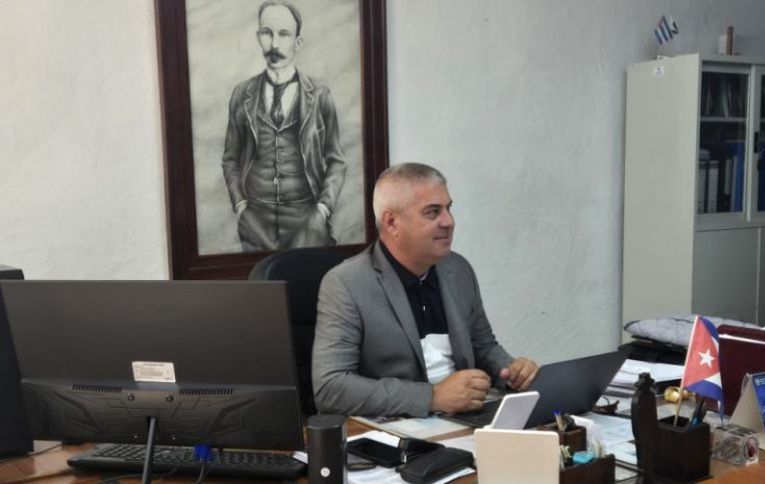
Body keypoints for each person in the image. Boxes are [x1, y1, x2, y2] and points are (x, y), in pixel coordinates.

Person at [312, 162, 538, 417]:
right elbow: (330, 388)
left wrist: (511, 371)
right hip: (400, 427)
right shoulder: (346, 283)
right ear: (392, 222)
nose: (449, 221)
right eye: (432, 212)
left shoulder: (458, 269)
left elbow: (483, 347)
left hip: (467, 416)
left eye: (448, 208)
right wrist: (432, 397)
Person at [221, 0, 347, 252]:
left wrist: (323, 209)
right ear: (258, 37)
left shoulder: (320, 95)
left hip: (308, 223)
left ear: (298, 42)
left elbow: (337, 161)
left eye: (284, 34)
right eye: (267, 33)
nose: (274, 45)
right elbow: (230, 159)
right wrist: (242, 207)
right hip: (256, 224)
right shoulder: (241, 94)